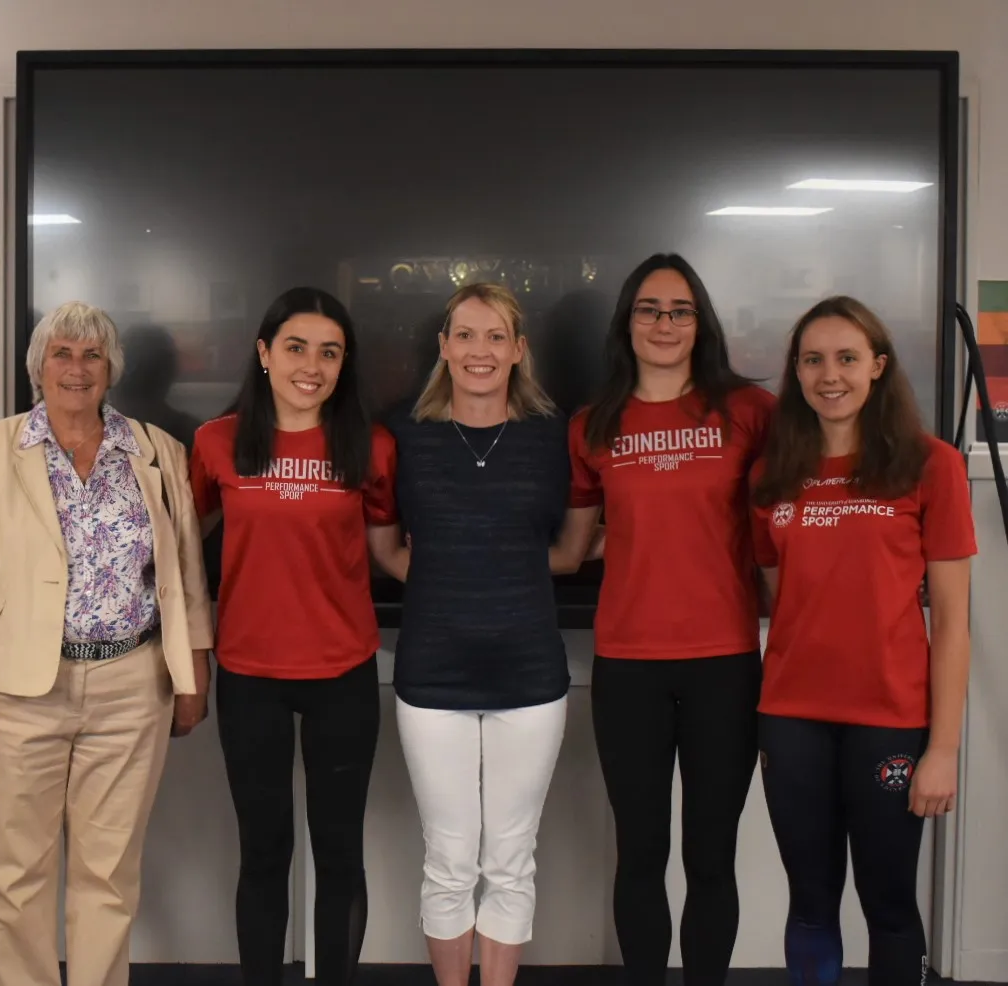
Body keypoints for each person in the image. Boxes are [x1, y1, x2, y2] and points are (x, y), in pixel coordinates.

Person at [0, 301, 213, 986]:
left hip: (131, 689)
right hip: (15, 694)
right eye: (62, 353)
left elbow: (187, 581)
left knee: (108, 876)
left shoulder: (156, 452)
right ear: (37, 366)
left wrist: (193, 677)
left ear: (112, 368)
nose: (77, 369)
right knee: (15, 878)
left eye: (92, 355)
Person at [548, 253, 777, 986]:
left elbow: (783, 531)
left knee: (711, 856)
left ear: (700, 322)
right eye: (649, 309)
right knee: (640, 854)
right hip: (628, 667)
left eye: (680, 310)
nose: (665, 323)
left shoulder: (749, 412)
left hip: (725, 664)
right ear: (626, 322)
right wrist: (458, 547)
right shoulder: (592, 425)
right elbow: (573, 548)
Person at [749, 297, 974, 986]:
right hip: (792, 721)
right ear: (796, 370)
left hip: (893, 724)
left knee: (889, 906)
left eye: (847, 357)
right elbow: (781, 597)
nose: (829, 374)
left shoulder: (930, 466)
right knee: (812, 904)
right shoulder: (773, 472)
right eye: (813, 359)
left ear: (877, 366)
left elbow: (955, 623)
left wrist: (941, 749)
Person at [189, 286, 397, 986]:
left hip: (343, 673)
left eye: (330, 352)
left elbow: (390, 551)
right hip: (250, 676)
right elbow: (178, 556)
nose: (312, 365)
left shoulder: (370, 446)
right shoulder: (216, 443)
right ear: (264, 352)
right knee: (264, 853)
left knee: (340, 854)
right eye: (297, 347)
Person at [375, 282, 575, 986]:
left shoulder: (553, 441)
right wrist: (455, 575)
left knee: (511, 859)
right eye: (465, 335)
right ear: (443, 347)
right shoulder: (404, 437)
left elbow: (569, 552)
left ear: (519, 350)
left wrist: (495, 564)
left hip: (530, 677)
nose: (479, 351)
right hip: (431, 678)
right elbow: (389, 551)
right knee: (450, 859)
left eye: (496, 337)